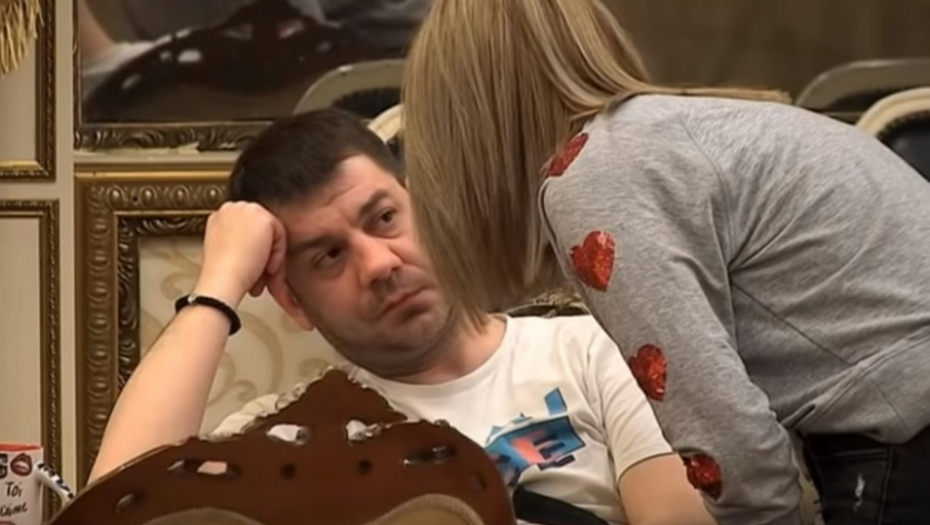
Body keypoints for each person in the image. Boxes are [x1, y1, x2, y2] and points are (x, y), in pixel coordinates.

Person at [397, 1, 930, 525]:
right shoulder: (674, 130)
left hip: (900, 427)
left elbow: (731, 442)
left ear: (463, 123)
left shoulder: (595, 179)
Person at [87, 109, 714, 525]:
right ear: (294, 302)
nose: (379, 264)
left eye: (384, 218)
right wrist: (218, 286)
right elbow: (110, 509)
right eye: (329, 256)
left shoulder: (594, 351)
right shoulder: (282, 437)